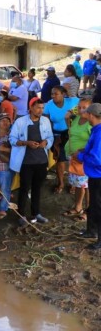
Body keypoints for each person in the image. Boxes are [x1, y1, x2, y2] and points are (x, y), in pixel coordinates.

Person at [9, 98, 54, 226]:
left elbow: (50, 137)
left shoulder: (45, 121)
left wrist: (46, 142)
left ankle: (36, 213)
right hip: (26, 162)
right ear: (31, 108)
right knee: (24, 188)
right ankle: (21, 215)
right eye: (38, 108)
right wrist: (25, 143)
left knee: (37, 188)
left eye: (42, 108)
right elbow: (12, 139)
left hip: (41, 161)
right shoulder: (20, 121)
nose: (41, 110)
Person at [43, 86, 79, 193]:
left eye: (56, 93)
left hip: (71, 134)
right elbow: (46, 121)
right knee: (60, 160)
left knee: (74, 159)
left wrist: (75, 114)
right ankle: (61, 183)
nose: (53, 96)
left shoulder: (72, 101)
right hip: (57, 135)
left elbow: (86, 104)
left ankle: (74, 184)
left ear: (63, 94)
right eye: (52, 94)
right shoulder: (49, 105)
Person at [75, 103, 101, 249]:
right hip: (94, 175)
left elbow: (97, 159)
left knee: (98, 206)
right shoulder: (96, 130)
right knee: (93, 204)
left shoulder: (99, 133)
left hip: (98, 176)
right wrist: (84, 150)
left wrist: (80, 155)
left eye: (87, 113)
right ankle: (91, 230)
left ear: (91, 115)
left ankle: (99, 238)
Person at [64, 99, 92, 222]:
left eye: (84, 107)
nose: (81, 110)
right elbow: (70, 130)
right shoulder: (76, 119)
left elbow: (95, 143)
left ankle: (88, 211)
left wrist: (81, 151)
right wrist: (67, 117)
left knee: (87, 186)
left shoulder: (91, 123)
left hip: (84, 159)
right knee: (78, 185)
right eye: (79, 107)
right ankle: (78, 207)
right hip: (73, 158)